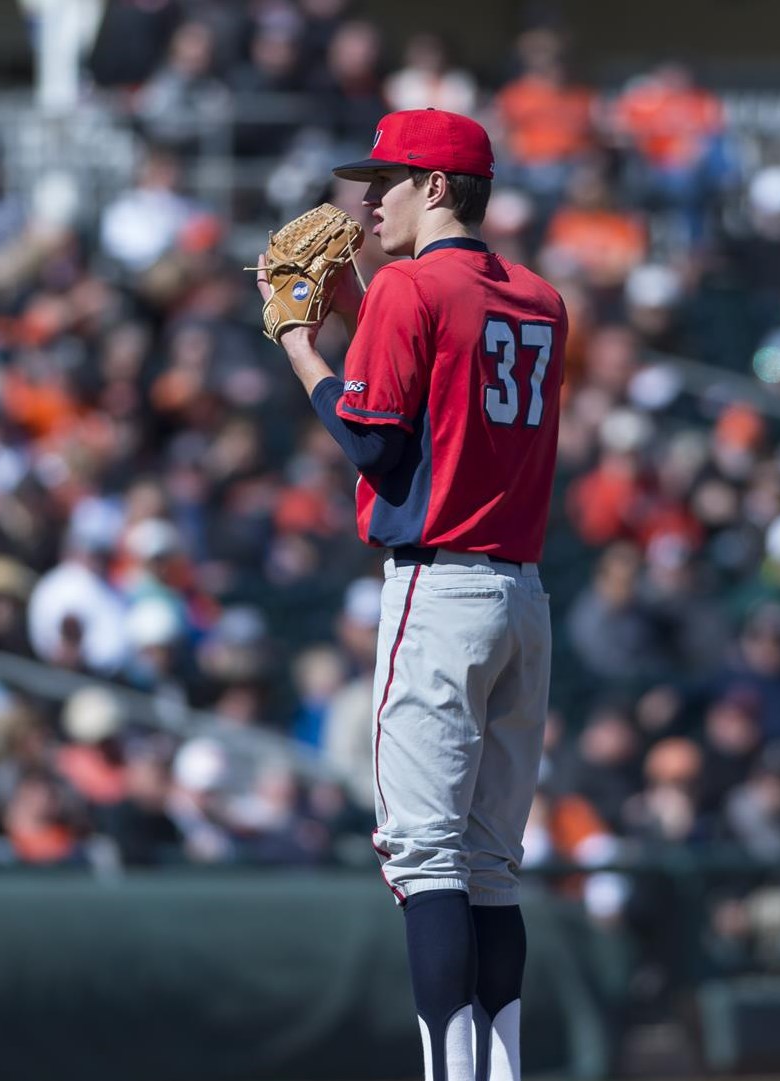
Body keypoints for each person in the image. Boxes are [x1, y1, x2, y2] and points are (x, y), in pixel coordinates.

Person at [256, 107, 568, 1081]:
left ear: (437, 187)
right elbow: (442, 386)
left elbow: (377, 445)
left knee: (423, 860)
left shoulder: (404, 288)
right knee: (487, 867)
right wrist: (358, 309)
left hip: (438, 591)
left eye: (386, 180)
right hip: (522, 597)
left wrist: (303, 345)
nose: (366, 199)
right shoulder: (541, 298)